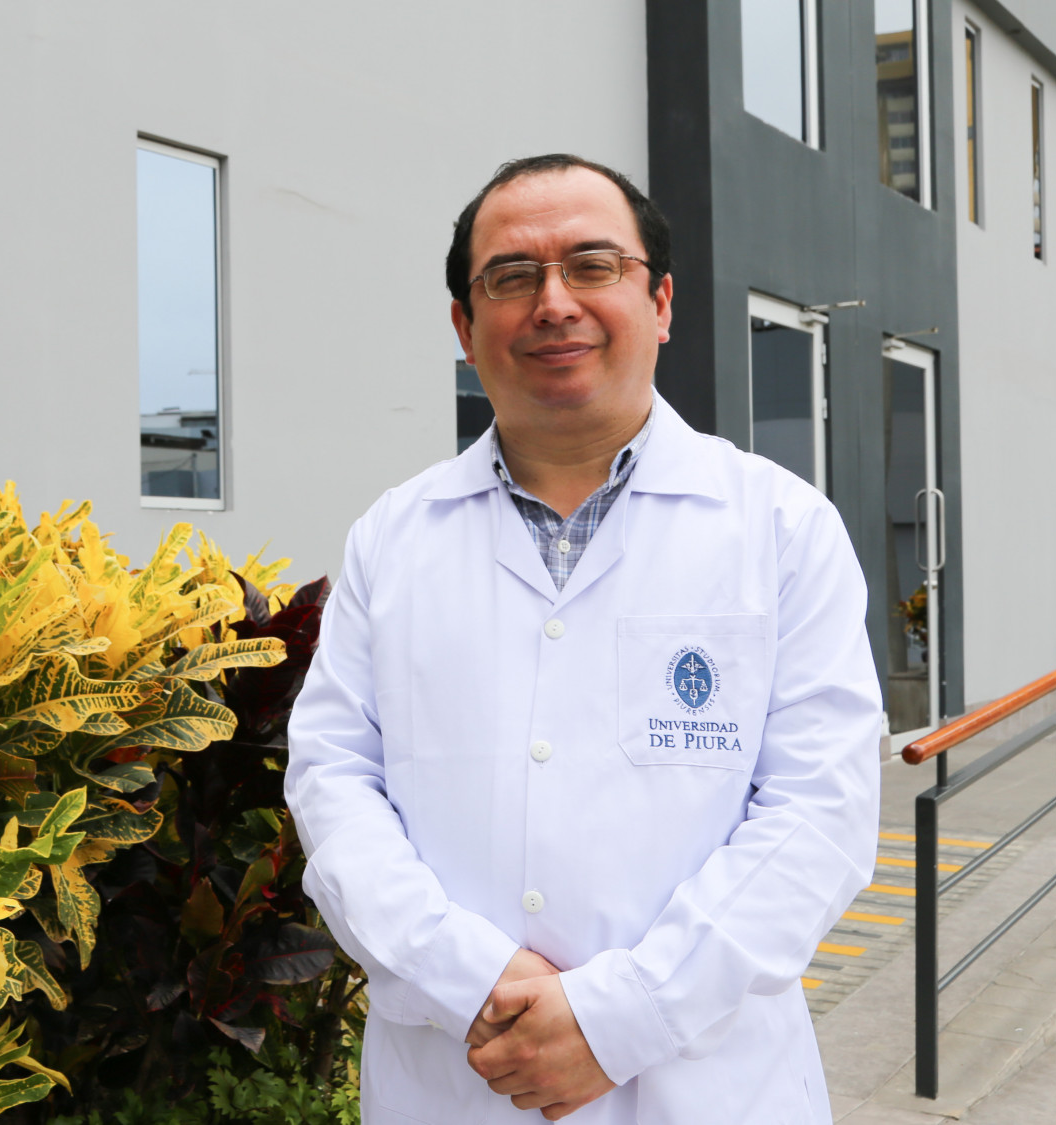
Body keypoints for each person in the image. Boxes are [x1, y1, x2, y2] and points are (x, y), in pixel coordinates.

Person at [283, 155, 882, 1123]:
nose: (553, 303)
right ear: (463, 326)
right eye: (511, 277)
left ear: (660, 302)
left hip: (707, 1089)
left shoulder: (778, 527)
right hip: (457, 1077)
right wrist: (470, 977)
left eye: (593, 266)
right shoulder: (392, 537)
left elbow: (819, 813)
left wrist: (619, 1019)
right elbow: (333, 781)